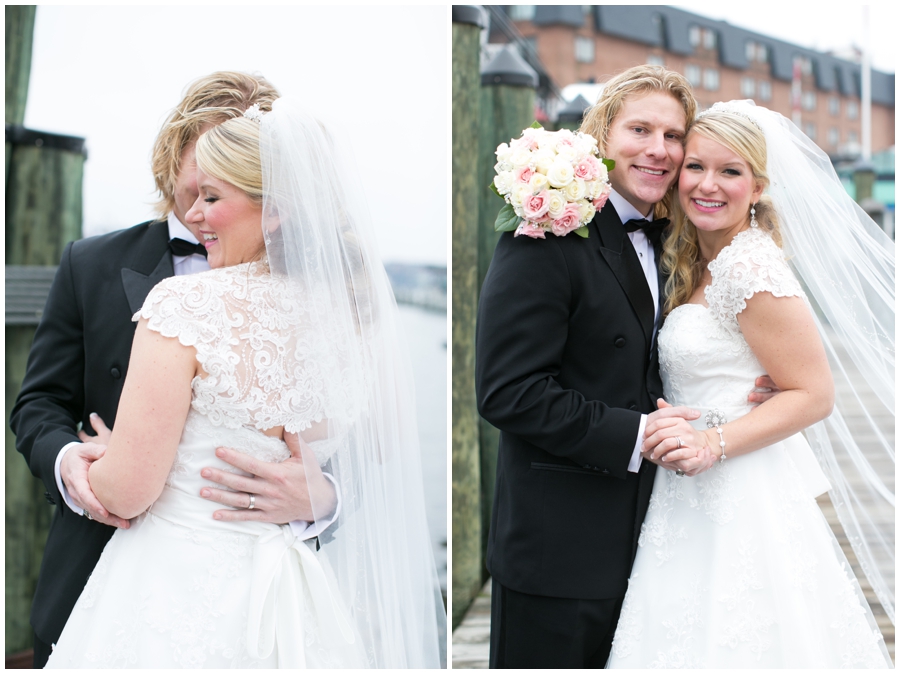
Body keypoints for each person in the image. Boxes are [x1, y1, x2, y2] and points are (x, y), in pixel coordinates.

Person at [43, 99, 445, 667]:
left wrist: (107, 456)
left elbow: (127, 491)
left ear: (274, 209)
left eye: (212, 197)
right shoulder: (350, 315)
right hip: (293, 595)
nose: (195, 215)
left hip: (170, 584)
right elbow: (377, 447)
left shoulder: (185, 303)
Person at [10, 72, 339, 669]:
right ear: (175, 155)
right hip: (106, 580)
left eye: (222, 185)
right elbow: (37, 405)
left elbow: (347, 436)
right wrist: (74, 465)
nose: (200, 205)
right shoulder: (92, 263)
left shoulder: (320, 296)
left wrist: (327, 495)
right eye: (200, 178)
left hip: (271, 594)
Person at [475, 65, 776, 668]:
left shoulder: (677, 238)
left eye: (673, 136)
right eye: (641, 129)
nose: (658, 150)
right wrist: (638, 434)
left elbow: (668, 352)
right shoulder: (547, 231)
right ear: (603, 131)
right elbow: (508, 391)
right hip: (560, 548)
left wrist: (744, 387)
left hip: (661, 539)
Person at [607, 101, 893, 667]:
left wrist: (713, 441)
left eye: (730, 172)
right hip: (683, 485)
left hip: (736, 482)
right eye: (696, 167)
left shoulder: (748, 267)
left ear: (758, 187)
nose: (708, 185)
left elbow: (814, 393)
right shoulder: (693, 255)